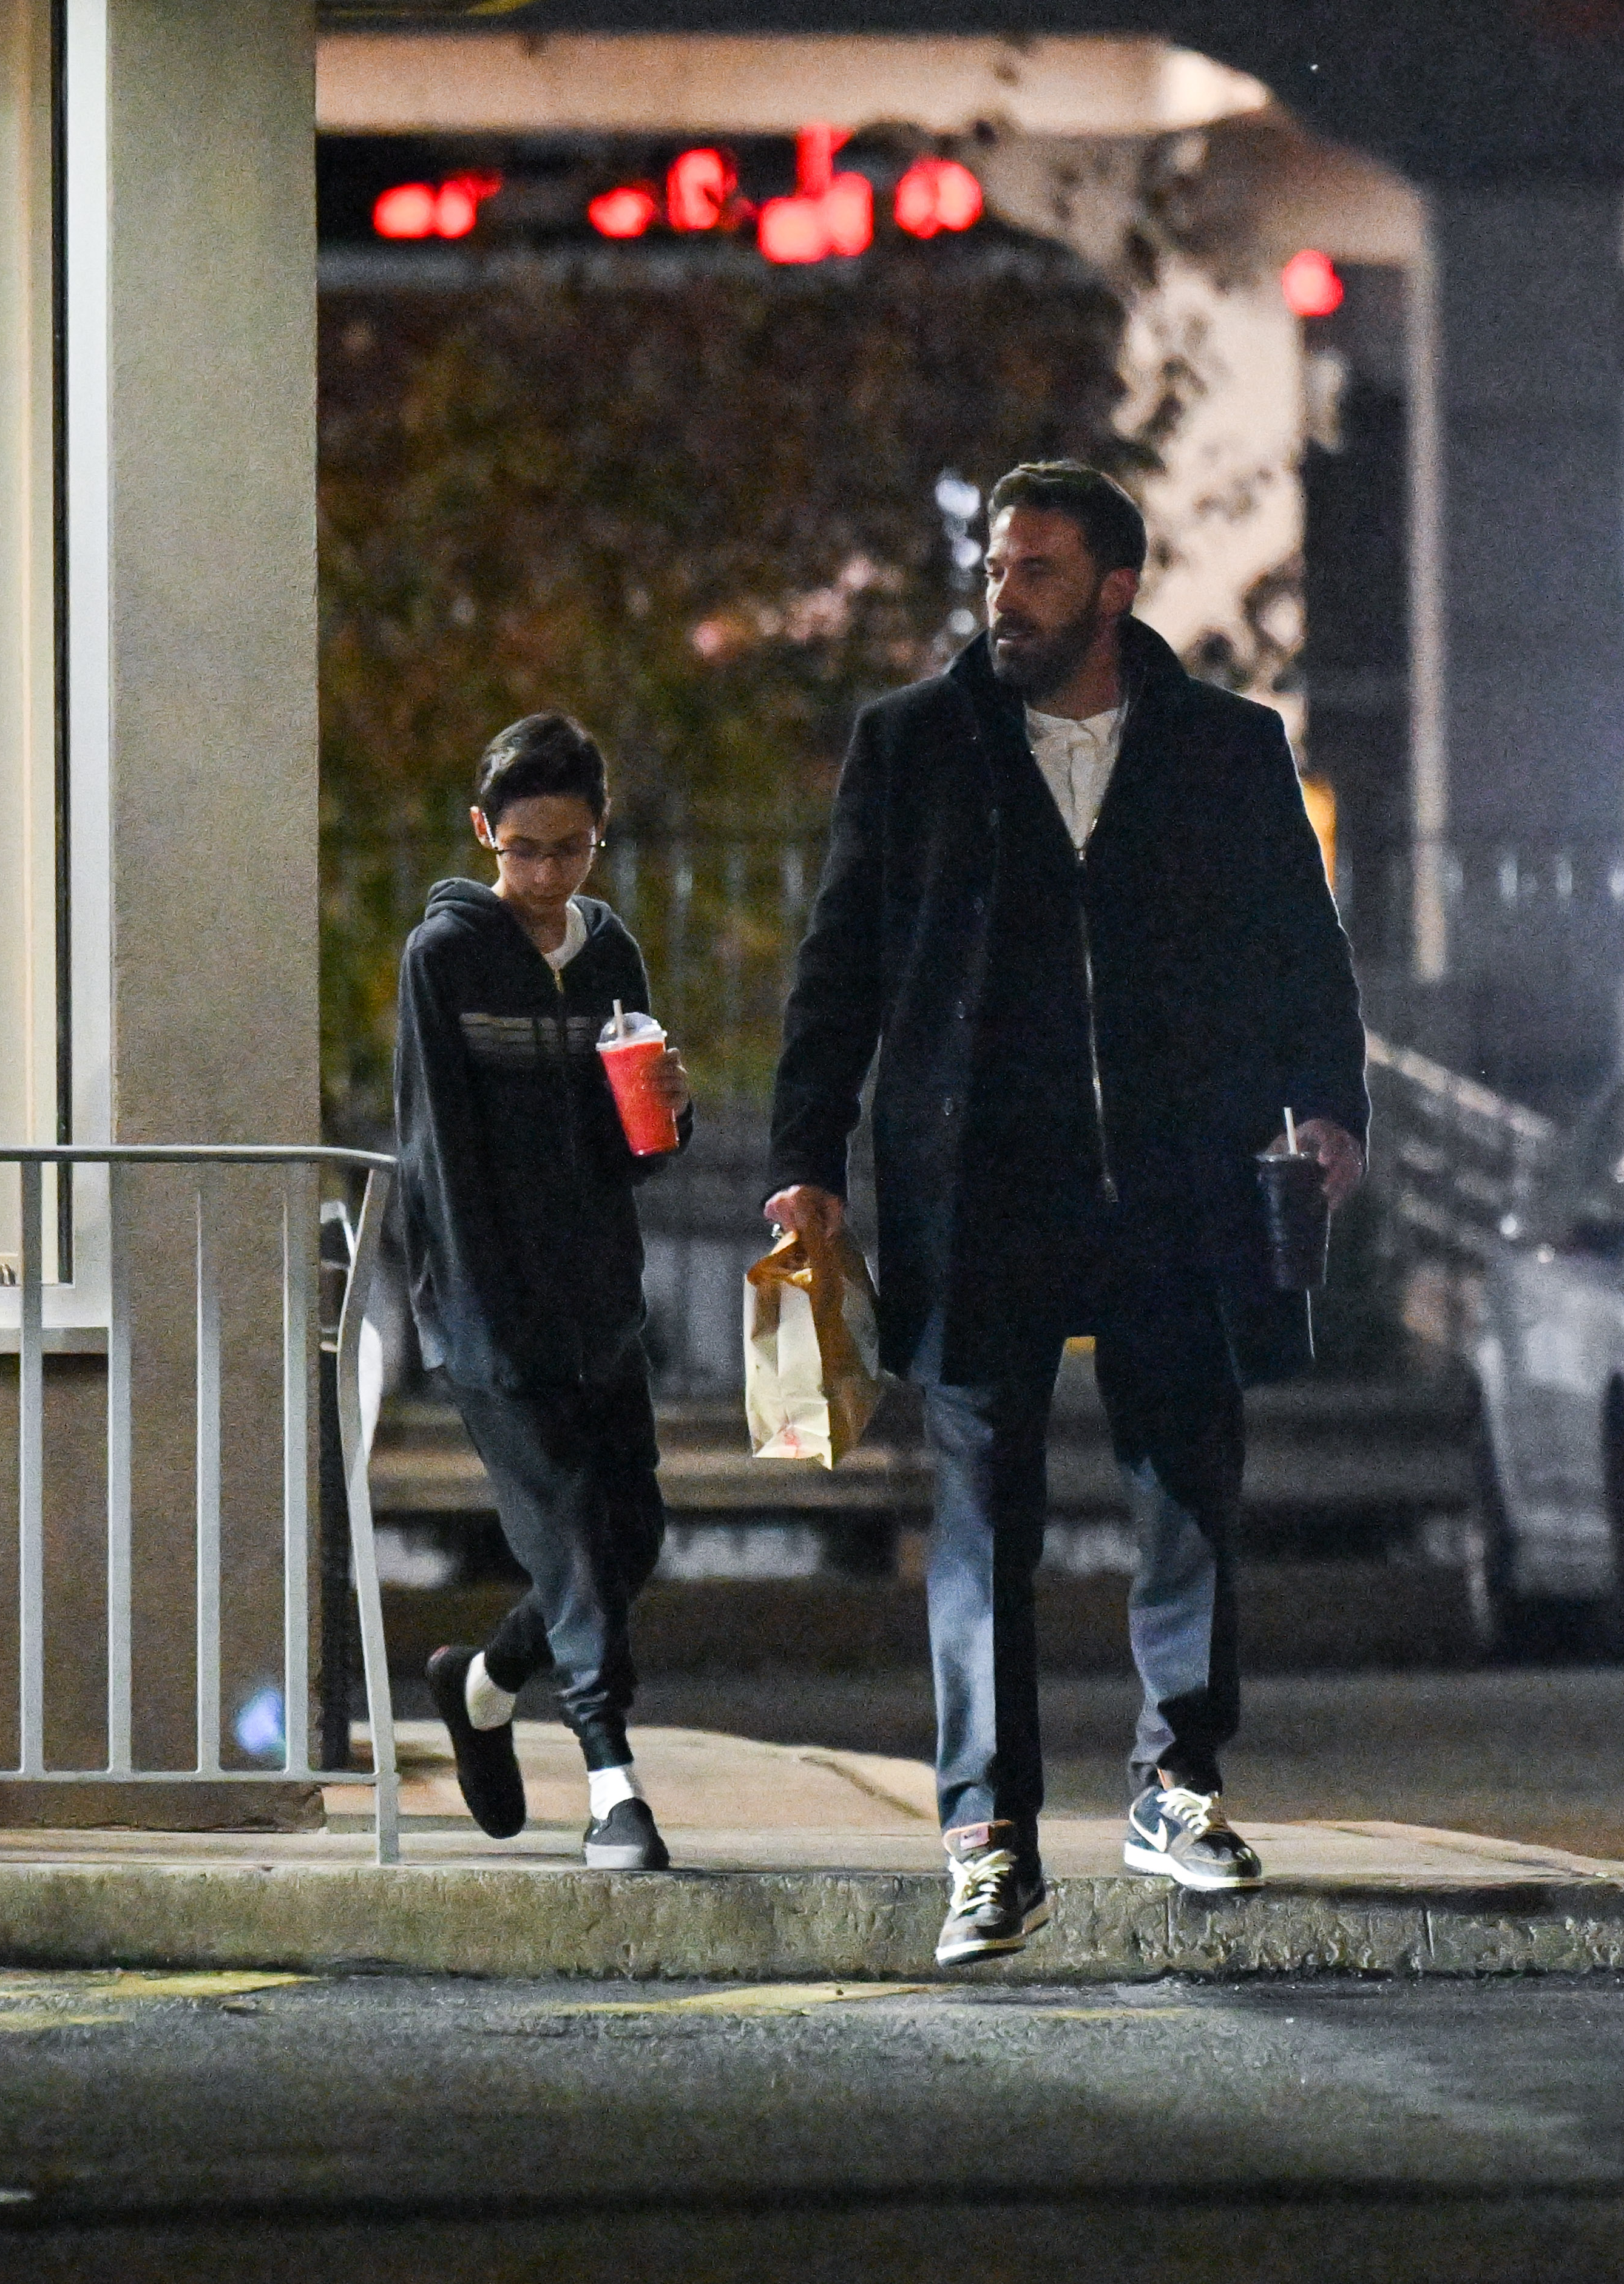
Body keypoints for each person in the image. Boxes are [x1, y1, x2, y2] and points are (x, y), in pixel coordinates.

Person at [764, 462, 1367, 1965]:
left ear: (1114, 587)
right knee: (979, 1515)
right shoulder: (911, 747)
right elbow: (839, 965)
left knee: (1188, 1484)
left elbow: (1305, 945)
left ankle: (1176, 1782)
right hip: (981, 1185)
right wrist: (808, 1152)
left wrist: (1330, 1103)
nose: (1003, 596)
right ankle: (988, 1839)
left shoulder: (1228, 751)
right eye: (992, 570)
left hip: (1176, 1175)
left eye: (1036, 571)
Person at [394, 712, 692, 1873]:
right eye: (522, 849)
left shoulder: (610, 955)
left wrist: (668, 1104)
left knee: (632, 1537)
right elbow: (440, 1157)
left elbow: (638, 1156)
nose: (543, 875)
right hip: (490, 1306)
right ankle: (613, 1788)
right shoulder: (445, 959)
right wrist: (481, 1319)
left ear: (596, 839)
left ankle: (480, 1684)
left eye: (568, 850)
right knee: (571, 1539)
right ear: (484, 835)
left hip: (598, 1296)